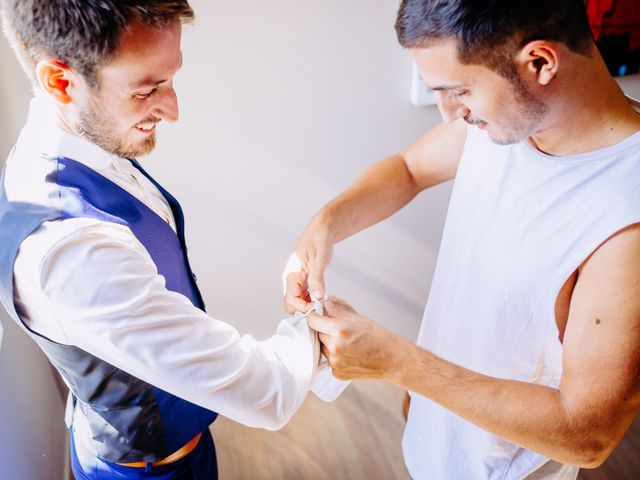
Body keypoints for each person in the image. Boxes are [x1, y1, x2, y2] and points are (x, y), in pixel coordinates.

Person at [284, 0, 640, 478]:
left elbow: (586, 434)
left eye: (458, 91)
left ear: (539, 62)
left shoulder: (625, 212)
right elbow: (409, 170)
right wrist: (325, 225)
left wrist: (398, 364)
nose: (449, 114)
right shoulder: (505, 125)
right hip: (437, 429)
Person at [0, 1, 342, 479]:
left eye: (171, 77)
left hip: (176, 442)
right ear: (61, 81)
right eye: (148, 89)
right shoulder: (72, 250)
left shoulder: (75, 143)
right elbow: (268, 392)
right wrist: (322, 327)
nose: (173, 109)